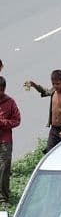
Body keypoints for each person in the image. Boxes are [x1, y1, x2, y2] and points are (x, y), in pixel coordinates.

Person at [25, 69, 61, 152]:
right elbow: (44, 91)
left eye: (58, 84)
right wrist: (34, 85)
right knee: (49, 151)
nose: (55, 86)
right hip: (54, 130)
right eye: (53, 84)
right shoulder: (53, 91)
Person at [0, 77, 19, 208]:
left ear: (4, 89)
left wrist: (3, 123)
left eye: (0, 90)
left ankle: (3, 198)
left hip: (5, 141)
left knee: (4, 169)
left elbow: (17, 120)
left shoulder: (10, 102)